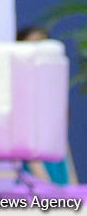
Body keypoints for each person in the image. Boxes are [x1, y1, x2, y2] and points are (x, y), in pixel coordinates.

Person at [17, 26, 78, 185]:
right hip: (34, 181)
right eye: (34, 46)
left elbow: (63, 143)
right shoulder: (20, 93)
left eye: (44, 44)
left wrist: (73, 184)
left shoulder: (55, 93)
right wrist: (46, 188)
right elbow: (27, 149)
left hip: (58, 173)